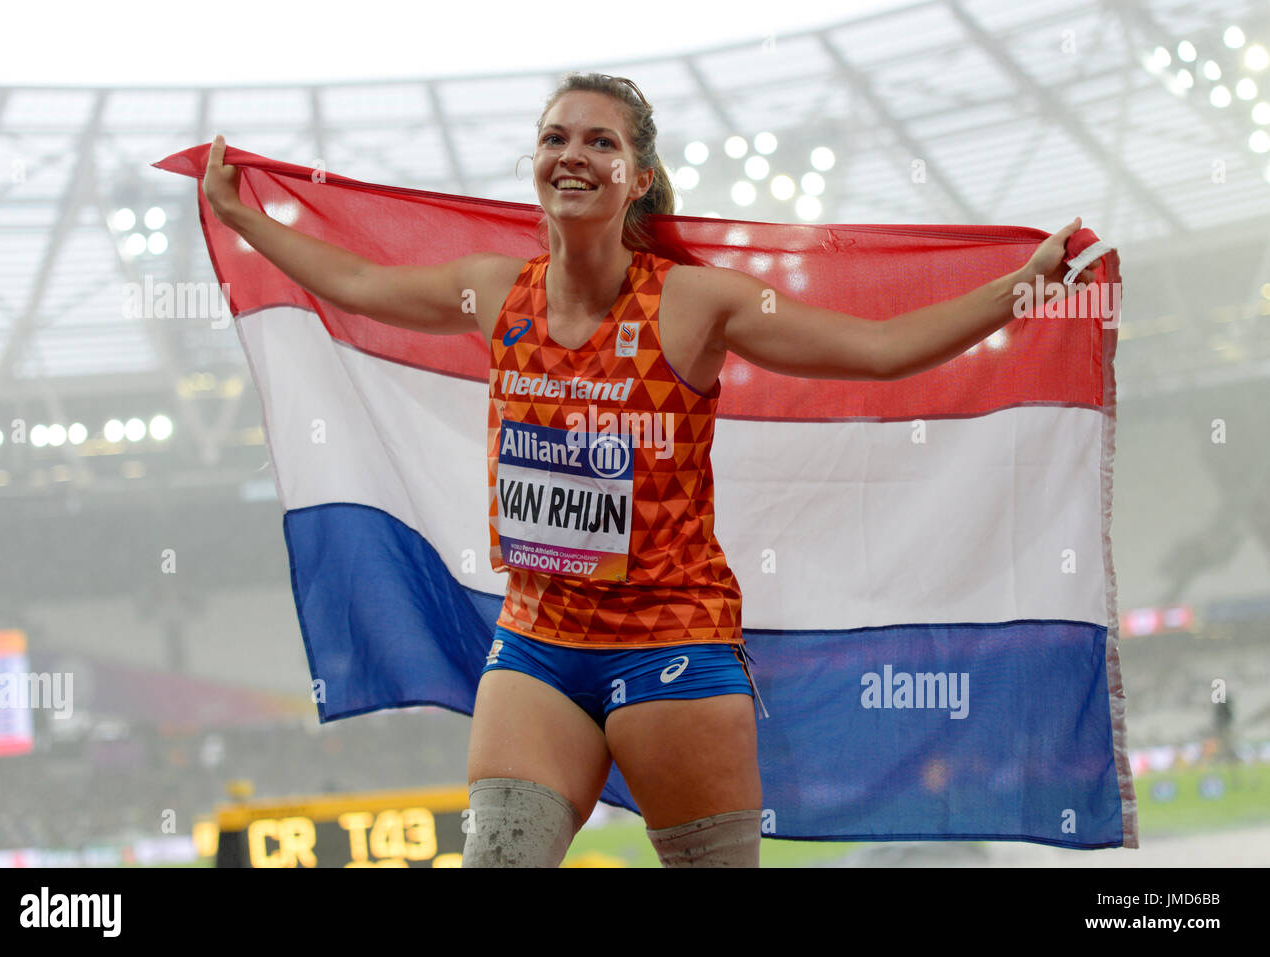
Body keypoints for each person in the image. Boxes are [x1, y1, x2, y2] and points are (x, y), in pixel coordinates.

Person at [203, 72, 1084, 868]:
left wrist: (1024, 283)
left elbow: (882, 350)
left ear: (637, 177)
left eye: (600, 141)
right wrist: (246, 218)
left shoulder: (695, 302)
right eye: (554, 138)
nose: (572, 155)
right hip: (537, 642)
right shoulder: (492, 291)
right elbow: (354, 281)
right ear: (534, 165)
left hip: (673, 646)